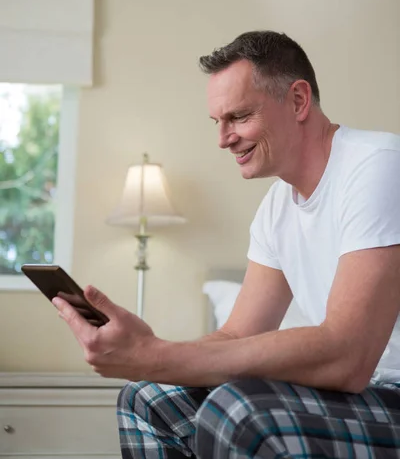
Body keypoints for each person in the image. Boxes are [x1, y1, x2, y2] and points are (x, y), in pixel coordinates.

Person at [53, 30, 400, 458]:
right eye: (217, 122)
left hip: (388, 391)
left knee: (235, 409)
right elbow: (238, 334)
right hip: (350, 397)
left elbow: (348, 356)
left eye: (238, 117)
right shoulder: (276, 209)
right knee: (147, 399)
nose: (223, 138)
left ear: (297, 100)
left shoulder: (378, 166)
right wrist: (150, 356)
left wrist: (158, 357)